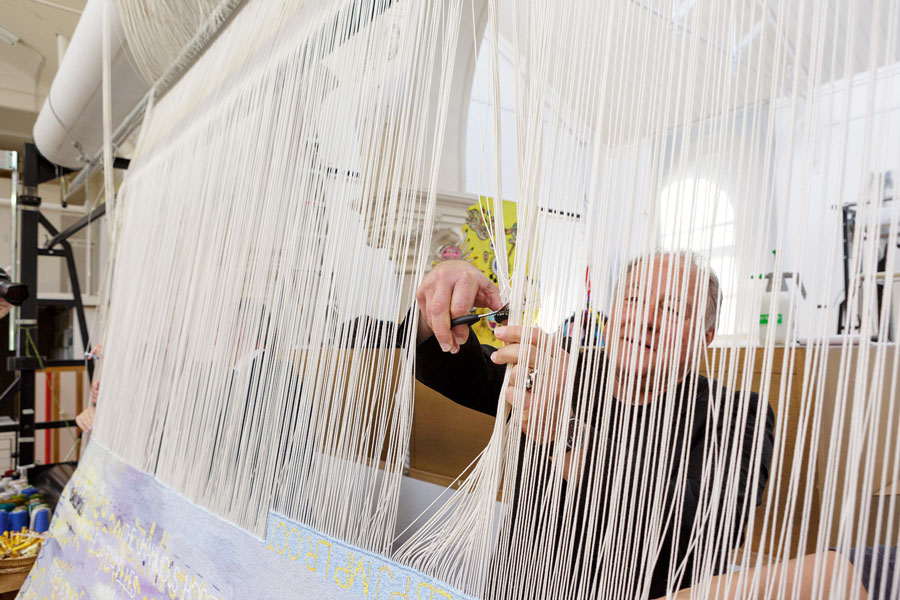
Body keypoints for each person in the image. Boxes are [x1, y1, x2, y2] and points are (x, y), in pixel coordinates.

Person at [414, 251, 777, 597]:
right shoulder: (563, 369)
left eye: (672, 309)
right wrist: (434, 308)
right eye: (633, 299)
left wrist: (564, 433)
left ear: (704, 338)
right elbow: (454, 368)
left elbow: (698, 526)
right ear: (612, 312)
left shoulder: (738, 414)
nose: (644, 319)